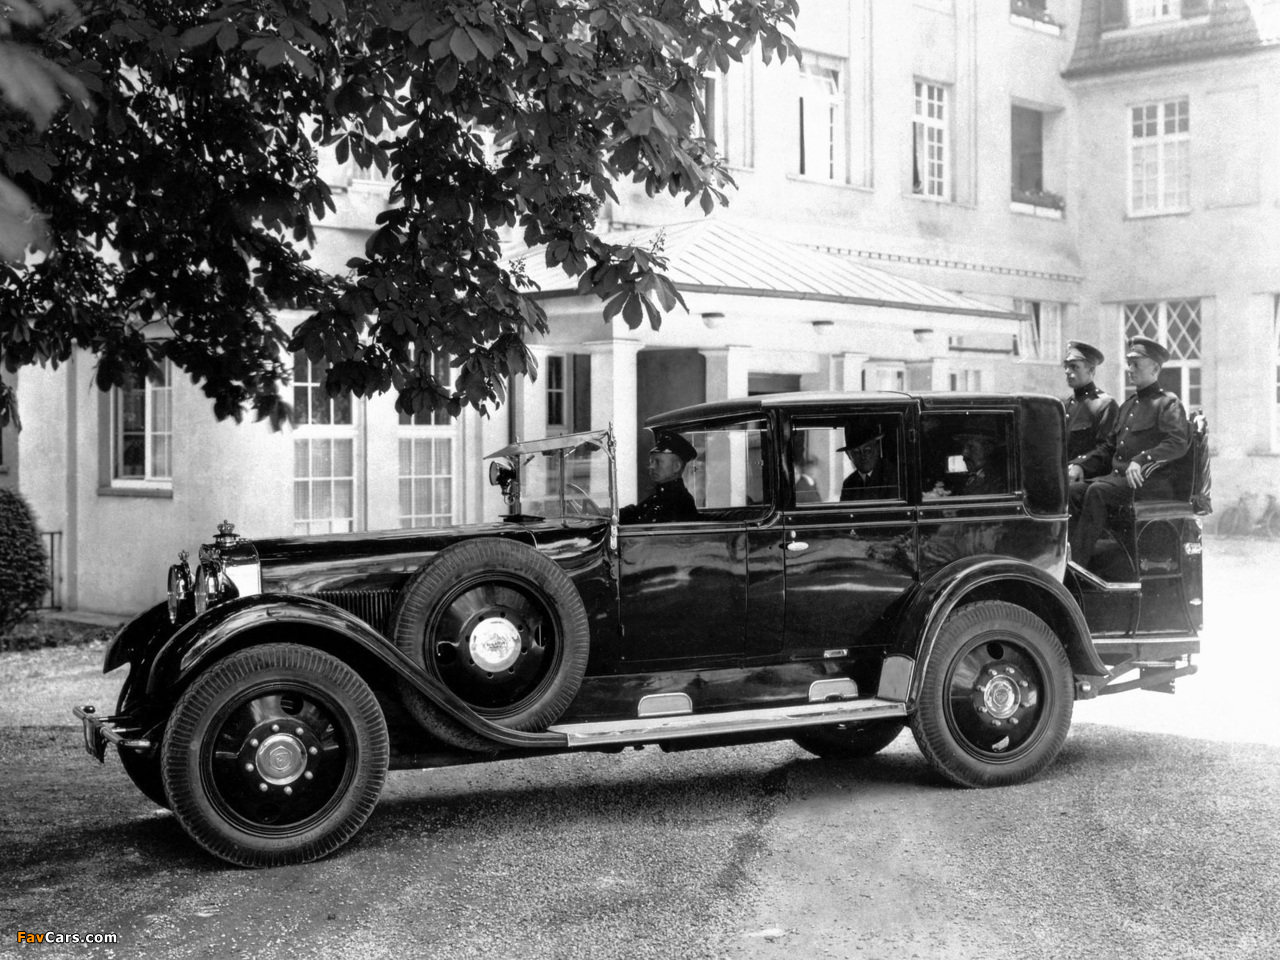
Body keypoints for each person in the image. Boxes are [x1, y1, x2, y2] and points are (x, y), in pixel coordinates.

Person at [1068, 336, 1191, 569]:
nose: (1130, 370)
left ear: (1155, 368)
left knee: (1096, 491)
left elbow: (1178, 443)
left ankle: (1077, 566)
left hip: (1149, 483)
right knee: (1073, 491)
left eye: (1136, 365)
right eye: (1129, 364)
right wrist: (1080, 465)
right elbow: (1109, 449)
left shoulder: (1167, 403)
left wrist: (1142, 459)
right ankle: (1080, 556)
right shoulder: (1128, 406)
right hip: (1119, 481)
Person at [619, 431, 700, 523]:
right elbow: (635, 512)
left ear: (676, 467)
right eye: (651, 462)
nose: (651, 467)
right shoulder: (659, 497)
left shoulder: (680, 501)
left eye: (658, 462)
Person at [1062, 340, 1119, 462]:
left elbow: (1106, 449)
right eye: (1066, 366)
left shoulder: (1105, 404)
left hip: (1088, 477)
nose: (1067, 371)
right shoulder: (1066, 405)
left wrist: (1080, 466)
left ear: (1091, 370)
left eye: (1074, 366)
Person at [839, 422, 897, 501]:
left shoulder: (894, 476)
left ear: (877, 449)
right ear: (848, 455)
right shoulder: (849, 484)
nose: (863, 457)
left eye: (868, 450)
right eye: (856, 452)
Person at [958, 428, 1004, 495]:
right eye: (964, 447)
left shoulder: (994, 480)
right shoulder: (970, 477)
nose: (964, 453)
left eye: (971, 447)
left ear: (988, 450)